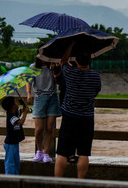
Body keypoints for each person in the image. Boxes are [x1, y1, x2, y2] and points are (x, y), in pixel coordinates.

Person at [54, 49, 101, 179]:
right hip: (86, 118)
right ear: (89, 61)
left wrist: (71, 45)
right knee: (84, 153)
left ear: (76, 61)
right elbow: (95, 93)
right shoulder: (95, 76)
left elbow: (63, 61)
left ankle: (57, 183)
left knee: (62, 153)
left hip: (69, 117)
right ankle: (80, 182)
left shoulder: (70, 73)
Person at [26, 56, 61, 163]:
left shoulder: (53, 65)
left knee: (50, 128)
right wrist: (28, 94)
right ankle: (39, 150)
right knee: (39, 129)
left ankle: (46, 153)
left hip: (52, 97)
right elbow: (29, 81)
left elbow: (58, 82)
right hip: (39, 97)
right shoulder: (33, 67)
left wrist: (55, 69)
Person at [1, 96, 27, 175]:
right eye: (16, 102)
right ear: (12, 106)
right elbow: (21, 122)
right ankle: (9, 178)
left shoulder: (15, 113)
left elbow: (23, 109)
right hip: (10, 144)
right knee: (10, 162)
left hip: (15, 143)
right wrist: (25, 113)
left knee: (16, 161)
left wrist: (23, 103)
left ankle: (15, 176)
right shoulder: (11, 116)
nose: (17, 104)